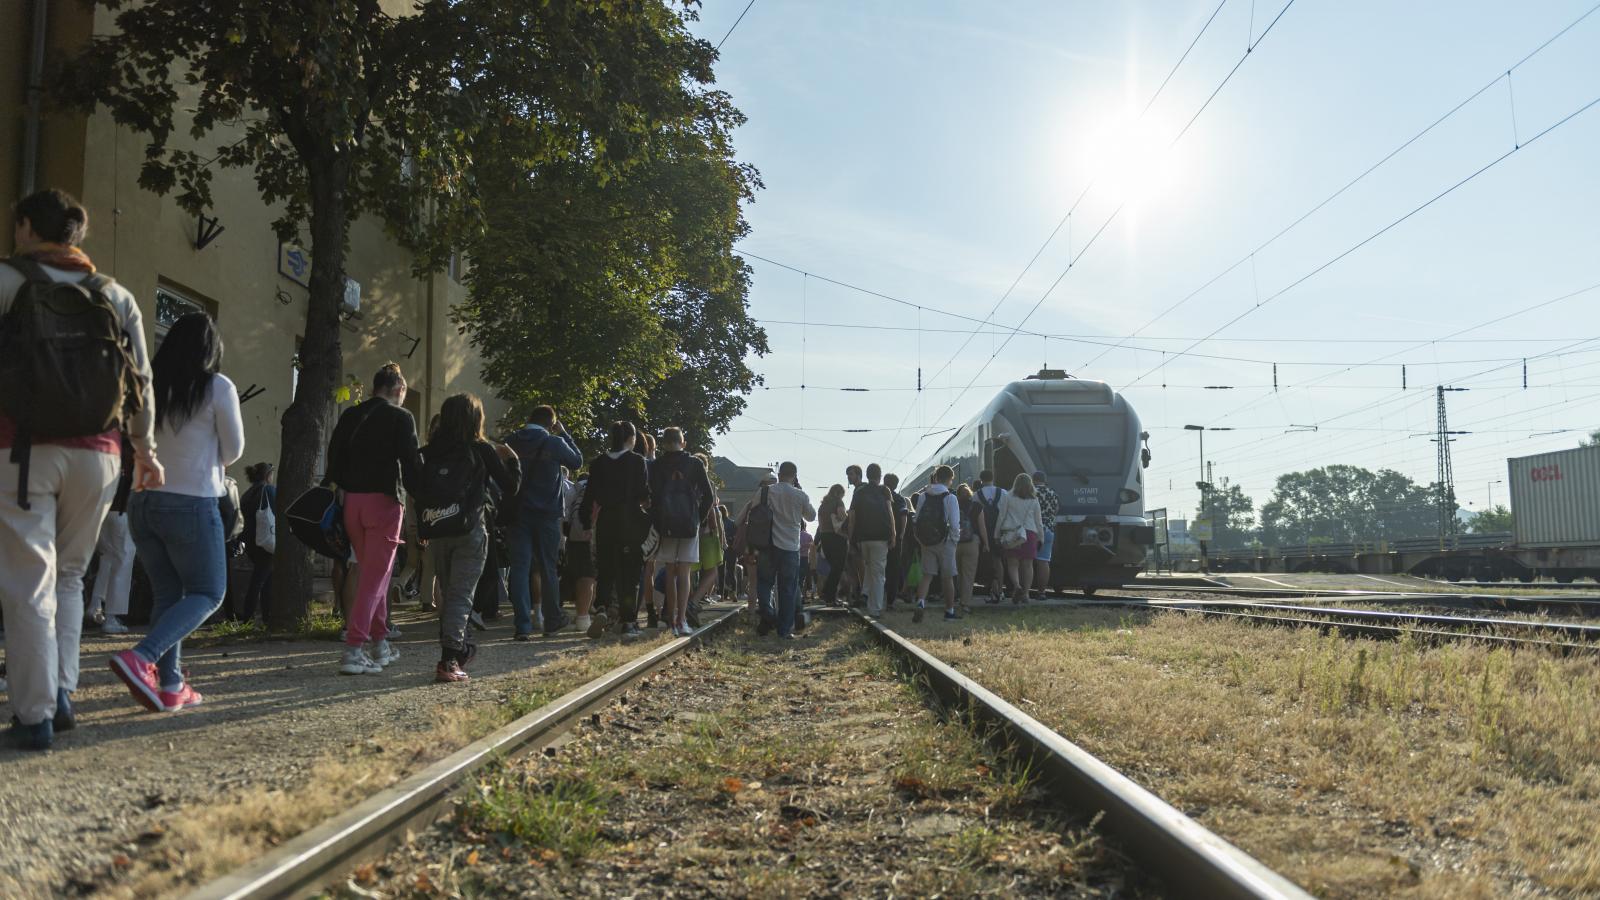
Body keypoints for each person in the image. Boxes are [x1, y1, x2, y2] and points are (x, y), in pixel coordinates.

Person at [2, 189, 162, 749]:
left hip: (23, 452)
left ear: (25, 227)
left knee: (27, 583)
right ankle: (61, 693)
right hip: (101, 455)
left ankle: (34, 716)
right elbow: (140, 382)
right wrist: (147, 452)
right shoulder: (114, 295)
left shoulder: (7, 282)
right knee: (70, 577)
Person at [109, 312, 243, 712]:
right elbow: (234, 450)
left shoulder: (148, 385)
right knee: (208, 592)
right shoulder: (217, 385)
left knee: (169, 594)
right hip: (191, 501)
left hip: (142, 501)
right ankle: (142, 657)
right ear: (211, 350)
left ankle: (170, 686)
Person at [322, 363, 420, 675]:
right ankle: (354, 649)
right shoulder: (401, 417)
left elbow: (334, 453)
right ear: (398, 390)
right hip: (385, 503)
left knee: (372, 574)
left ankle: (380, 644)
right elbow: (411, 462)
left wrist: (335, 485)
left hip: (353, 503)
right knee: (374, 579)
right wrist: (426, 496)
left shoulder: (351, 414)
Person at [418, 394, 520, 683]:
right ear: (476, 419)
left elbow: (416, 485)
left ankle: (459, 647)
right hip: (470, 529)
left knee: (450, 594)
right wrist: (512, 460)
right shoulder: (482, 449)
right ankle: (450, 659)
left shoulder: (429, 451)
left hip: (438, 529)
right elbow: (510, 487)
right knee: (461, 596)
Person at [505, 406, 584, 638]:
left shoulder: (512, 441)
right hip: (547, 514)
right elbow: (577, 462)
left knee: (519, 568)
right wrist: (564, 434)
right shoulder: (554, 442)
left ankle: (522, 625)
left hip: (518, 514)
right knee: (548, 567)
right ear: (551, 424)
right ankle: (552, 620)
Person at [580, 421, 651, 640]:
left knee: (606, 569)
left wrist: (585, 522)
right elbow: (643, 493)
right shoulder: (637, 461)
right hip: (629, 521)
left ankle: (601, 608)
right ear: (631, 439)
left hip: (606, 521)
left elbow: (589, 494)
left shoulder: (598, 462)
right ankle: (628, 621)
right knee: (628, 573)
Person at [648, 427, 714, 637]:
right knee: (684, 572)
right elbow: (709, 497)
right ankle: (682, 619)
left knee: (669, 571)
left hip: (665, 524)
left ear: (664, 443)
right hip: (688, 524)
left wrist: (658, 521)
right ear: (683, 442)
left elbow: (653, 495)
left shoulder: (656, 465)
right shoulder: (694, 463)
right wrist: (699, 519)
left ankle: (669, 619)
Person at [755, 461, 815, 639]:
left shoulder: (765, 491)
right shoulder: (800, 495)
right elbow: (811, 516)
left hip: (768, 545)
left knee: (765, 582)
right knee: (787, 588)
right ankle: (784, 630)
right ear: (794, 476)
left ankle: (768, 612)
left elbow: (753, 510)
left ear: (779, 474)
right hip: (790, 548)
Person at [87, 436, 136, 634]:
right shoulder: (133, 453)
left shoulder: (106, 449)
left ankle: (95, 605)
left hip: (101, 511)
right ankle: (112, 616)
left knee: (107, 558)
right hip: (123, 511)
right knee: (123, 560)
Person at [911, 465, 962, 623]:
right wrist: (954, 540)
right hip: (945, 542)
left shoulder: (923, 496)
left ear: (936, 477)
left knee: (927, 576)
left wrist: (919, 538)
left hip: (926, 541)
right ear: (950, 479)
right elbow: (954, 523)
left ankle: (920, 602)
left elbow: (916, 519)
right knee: (947, 578)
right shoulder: (950, 497)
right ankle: (949, 612)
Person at [845, 462, 896, 618]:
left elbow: (852, 517)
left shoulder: (859, 492)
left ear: (866, 476)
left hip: (863, 539)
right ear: (880, 476)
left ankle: (866, 594)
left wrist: (850, 538)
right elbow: (890, 513)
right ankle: (875, 609)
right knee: (879, 573)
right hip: (880, 537)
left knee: (869, 566)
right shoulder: (884, 490)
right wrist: (893, 534)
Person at [236, 461, 277, 624]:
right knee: (260, 580)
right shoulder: (268, 490)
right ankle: (247, 617)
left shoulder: (247, 493)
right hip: (266, 541)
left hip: (251, 542)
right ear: (268, 476)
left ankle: (266, 617)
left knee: (266, 579)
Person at [995, 472, 1044, 604]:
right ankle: (1026, 593)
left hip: (1012, 534)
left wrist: (996, 534)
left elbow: (1001, 516)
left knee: (1013, 563)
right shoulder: (1034, 499)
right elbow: (1038, 521)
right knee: (1028, 565)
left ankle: (1017, 585)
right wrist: (1041, 537)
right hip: (1029, 533)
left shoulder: (1007, 497)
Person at [563, 471, 598, 635]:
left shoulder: (576, 488)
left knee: (579, 574)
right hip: (593, 534)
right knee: (589, 575)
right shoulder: (602, 487)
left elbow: (565, 510)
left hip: (574, 535)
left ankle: (582, 615)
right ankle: (585, 616)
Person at [954, 483, 989, 613]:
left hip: (955, 542)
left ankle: (956, 597)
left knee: (957, 572)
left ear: (957, 494)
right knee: (968, 574)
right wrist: (986, 543)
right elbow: (982, 527)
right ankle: (965, 603)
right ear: (970, 493)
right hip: (972, 542)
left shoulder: (953, 505)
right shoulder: (977, 506)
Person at [975, 469, 1008, 600]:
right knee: (999, 561)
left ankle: (991, 588)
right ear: (993, 478)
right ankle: (1000, 589)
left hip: (983, 532)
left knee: (987, 561)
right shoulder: (1003, 493)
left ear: (981, 480)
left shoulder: (976, 495)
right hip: (1000, 531)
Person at [882, 473, 912, 608]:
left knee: (878, 568)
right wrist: (901, 534)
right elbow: (904, 516)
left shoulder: (878, 495)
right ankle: (890, 600)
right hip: (894, 538)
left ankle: (876, 597)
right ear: (896, 484)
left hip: (878, 536)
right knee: (893, 569)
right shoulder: (899, 499)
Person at [815, 483, 848, 604]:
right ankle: (829, 594)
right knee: (838, 567)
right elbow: (842, 515)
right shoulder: (838, 502)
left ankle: (828, 593)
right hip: (837, 537)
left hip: (825, 537)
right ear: (838, 493)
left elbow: (820, 524)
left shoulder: (822, 506)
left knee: (834, 567)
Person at [1032, 470, 1060, 599]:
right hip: (1048, 529)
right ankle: (1042, 592)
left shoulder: (1030, 492)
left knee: (1026, 562)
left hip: (1032, 529)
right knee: (1043, 561)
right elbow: (1056, 510)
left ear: (1033, 479)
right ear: (1044, 480)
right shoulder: (1053, 493)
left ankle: (1025, 591)